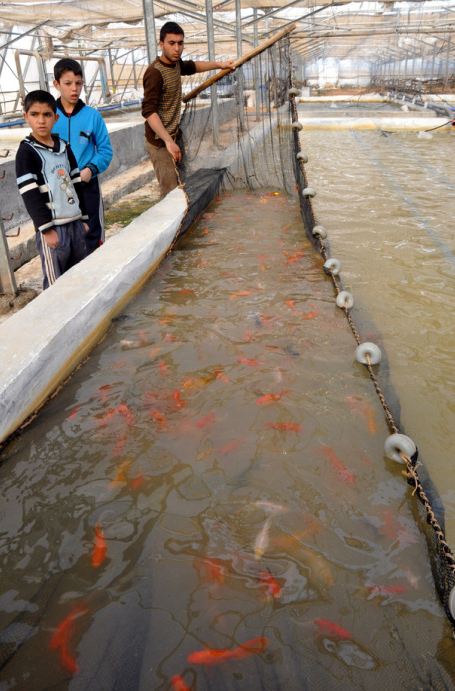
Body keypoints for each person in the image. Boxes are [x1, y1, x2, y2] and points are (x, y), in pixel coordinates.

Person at [142, 21, 234, 198]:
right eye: (171, 43)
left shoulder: (176, 64)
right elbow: (149, 112)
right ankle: (174, 222)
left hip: (175, 135)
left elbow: (193, 66)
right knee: (170, 191)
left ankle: (186, 214)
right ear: (161, 44)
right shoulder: (155, 73)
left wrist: (219, 65)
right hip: (160, 141)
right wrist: (168, 141)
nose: (177, 48)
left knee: (181, 180)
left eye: (180, 43)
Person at [16, 90, 89, 289]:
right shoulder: (27, 152)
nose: (41, 121)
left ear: (55, 118)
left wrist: (83, 219)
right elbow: (30, 195)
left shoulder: (64, 147)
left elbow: (76, 184)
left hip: (75, 224)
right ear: (26, 117)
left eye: (47, 115)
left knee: (81, 275)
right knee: (55, 283)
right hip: (54, 229)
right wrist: (46, 229)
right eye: (35, 114)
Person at [52, 58, 113, 253]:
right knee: (63, 239)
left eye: (78, 83)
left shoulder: (92, 116)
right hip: (58, 189)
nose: (74, 89)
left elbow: (105, 151)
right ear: (56, 84)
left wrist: (90, 170)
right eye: (68, 83)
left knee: (92, 237)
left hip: (87, 186)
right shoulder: (48, 116)